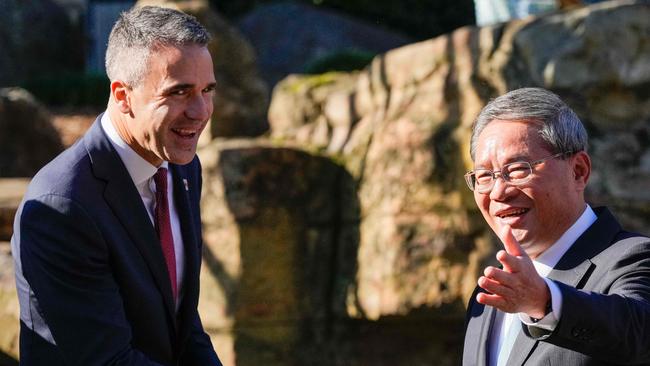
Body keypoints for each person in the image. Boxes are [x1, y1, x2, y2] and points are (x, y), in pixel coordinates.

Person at [11, 6, 222, 365]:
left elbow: (181, 321)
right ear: (123, 96)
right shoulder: (63, 205)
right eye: (180, 92)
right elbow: (106, 360)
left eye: (207, 89)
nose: (200, 110)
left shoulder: (182, 169)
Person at [462, 87, 650, 365]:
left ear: (578, 171)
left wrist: (545, 301)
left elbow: (637, 330)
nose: (498, 192)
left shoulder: (634, 259)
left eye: (517, 169)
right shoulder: (488, 295)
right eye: (484, 176)